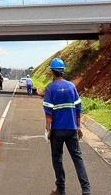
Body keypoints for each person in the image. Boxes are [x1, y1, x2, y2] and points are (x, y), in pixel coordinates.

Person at [43, 57, 90, 195]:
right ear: (63, 71)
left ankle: (61, 189)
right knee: (77, 158)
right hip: (71, 129)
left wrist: (48, 129)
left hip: (57, 131)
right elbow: (78, 108)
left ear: (52, 71)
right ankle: (86, 191)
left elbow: (48, 112)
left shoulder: (50, 88)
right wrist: (78, 126)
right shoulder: (71, 87)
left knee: (57, 158)